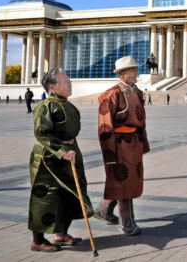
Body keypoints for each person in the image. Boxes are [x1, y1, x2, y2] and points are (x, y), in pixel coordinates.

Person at [28, 68, 92, 252]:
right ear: (52, 87)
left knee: (71, 194)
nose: (70, 84)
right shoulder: (45, 106)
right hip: (47, 159)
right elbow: (42, 132)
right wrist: (61, 150)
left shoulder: (70, 106)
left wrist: (72, 151)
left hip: (69, 155)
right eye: (66, 82)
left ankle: (61, 233)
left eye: (69, 81)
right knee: (45, 197)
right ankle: (38, 240)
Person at [95, 56, 150, 236]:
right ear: (121, 73)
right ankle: (127, 223)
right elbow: (105, 127)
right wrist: (109, 154)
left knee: (127, 182)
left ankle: (103, 210)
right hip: (119, 145)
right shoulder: (111, 95)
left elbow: (142, 121)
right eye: (132, 70)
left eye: (135, 69)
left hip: (134, 143)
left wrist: (143, 143)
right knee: (123, 182)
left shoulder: (137, 92)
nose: (136, 73)